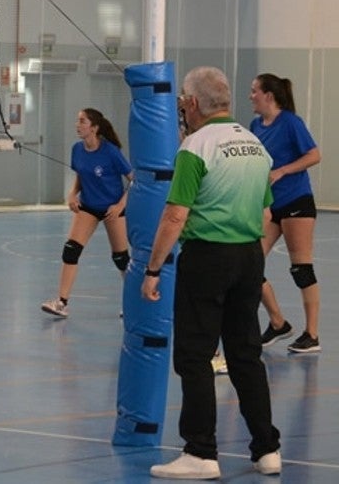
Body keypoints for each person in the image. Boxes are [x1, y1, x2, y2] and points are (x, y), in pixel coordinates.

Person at [142, 66, 281, 479]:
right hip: (248, 257)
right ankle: (267, 449)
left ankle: (200, 452)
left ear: (192, 103)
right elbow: (266, 209)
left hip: (207, 258)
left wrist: (152, 269)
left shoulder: (196, 146)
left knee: (194, 356)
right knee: (246, 355)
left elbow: (174, 215)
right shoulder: (256, 144)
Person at [249, 73, 322, 354]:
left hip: (296, 201)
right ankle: (278, 322)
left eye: (254, 91)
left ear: (269, 95)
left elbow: (314, 155)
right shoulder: (256, 125)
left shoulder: (291, 122)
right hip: (268, 205)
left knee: (301, 268)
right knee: (250, 263)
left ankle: (312, 334)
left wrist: (282, 170)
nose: (250, 95)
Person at [40, 108, 132, 319]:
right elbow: (81, 176)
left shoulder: (110, 151)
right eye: (77, 121)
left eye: (82, 121)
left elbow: (133, 179)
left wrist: (119, 206)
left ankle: (133, 303)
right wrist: (73, 194)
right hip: (89, 206)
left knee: (121, 258)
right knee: (71, 250)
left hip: (112, 208)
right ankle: (61, 303)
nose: (77, 125)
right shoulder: (77, 149)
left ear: (94, 127)